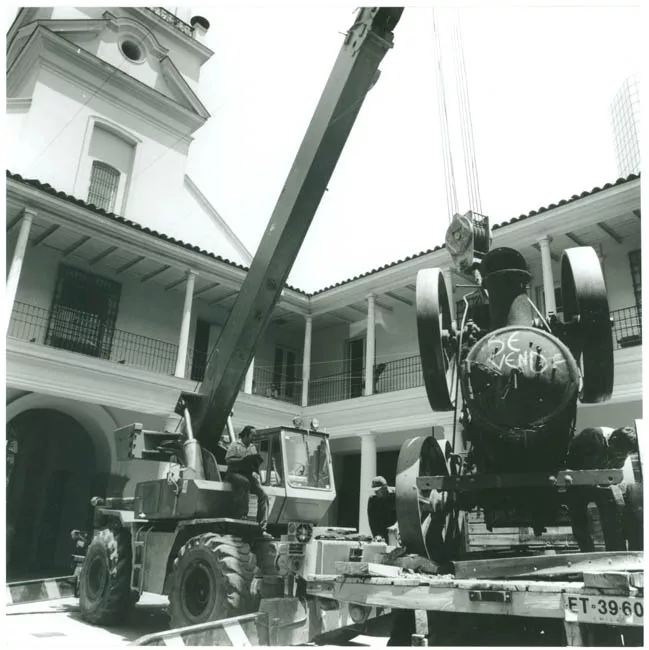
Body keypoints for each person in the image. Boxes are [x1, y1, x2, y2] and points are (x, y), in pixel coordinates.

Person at [226, 425, 272, 539]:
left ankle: (262, 526)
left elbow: (255, 463)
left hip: (247, 474)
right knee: (245, 483)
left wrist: (255, 467)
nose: (254, 437)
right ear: (246, 434)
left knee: (263, 495)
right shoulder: (235, 445)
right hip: (233, 473)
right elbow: (229, 461)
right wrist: (242, 460)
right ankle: (242, 515)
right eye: (252, 435)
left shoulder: (253, 447)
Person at [367, 476, 397, 543]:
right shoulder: (373, 499)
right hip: (382, 532)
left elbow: (404, 514)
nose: (375, 492)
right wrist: (377, 535)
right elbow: (372, 521)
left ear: (384, 488)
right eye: (374, 490)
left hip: (397, 531)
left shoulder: (397, 494)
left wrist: (396, 527)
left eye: (377, 490)